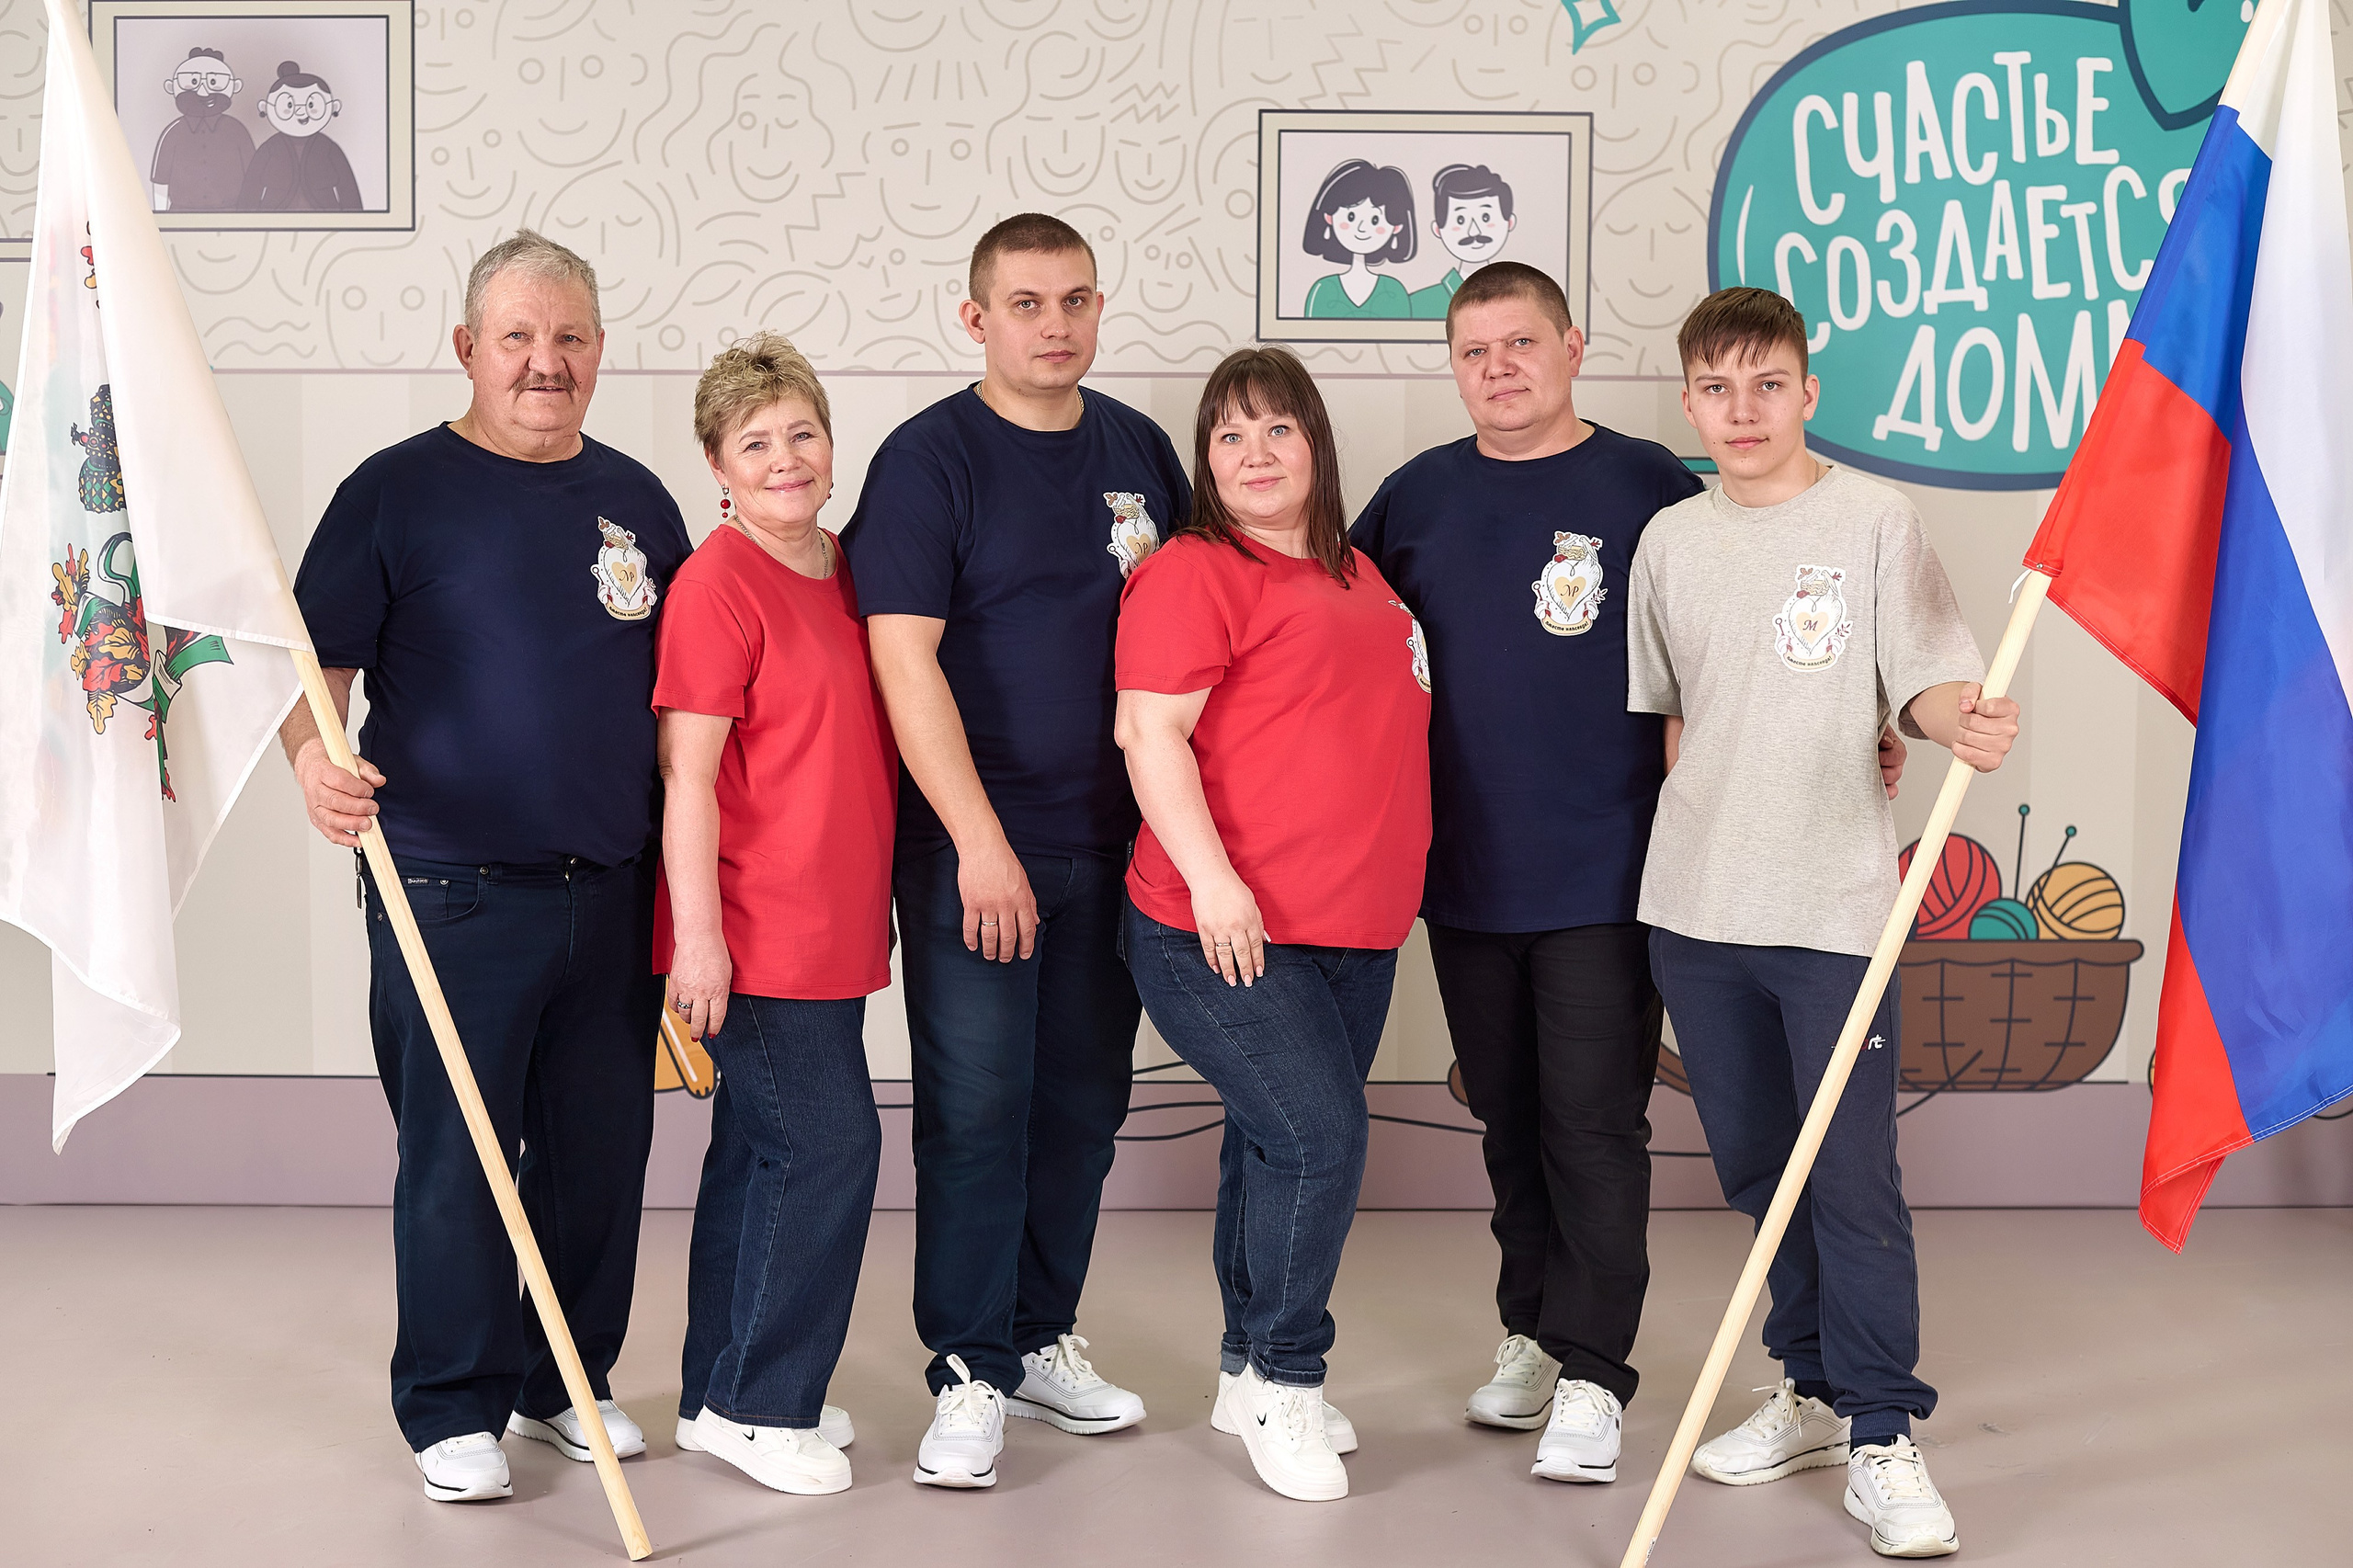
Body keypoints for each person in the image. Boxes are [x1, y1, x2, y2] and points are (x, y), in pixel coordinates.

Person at [1356, 262, 1910, 1485]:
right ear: (1455, 367)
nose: (1498, 368)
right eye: (1473, 351)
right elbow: (1333, 638)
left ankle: (1599, 1373)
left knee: (1595, 1125)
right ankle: (1534, 1329)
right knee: (1507, 1116)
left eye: (1521, 343)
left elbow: (1751, 640)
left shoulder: (1653, 489)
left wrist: (1864, 714)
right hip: (1462, 871)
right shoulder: (1415, 500)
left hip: (1617, 867)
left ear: (1573, 347)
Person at [282, 230, 688, 1504]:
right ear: (468, 348)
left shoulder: (641, 500)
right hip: (448, 888)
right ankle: (451, 1404)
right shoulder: (394, 491)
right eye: (517, 336)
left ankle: (561, 1378)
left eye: (568, 337)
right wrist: (312, 760)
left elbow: (688, 699)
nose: (544, 361)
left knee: (596, 1152)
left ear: (600, 352)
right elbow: (311, 670)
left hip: (611, 889)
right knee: (459, 1154)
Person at [1628, 286, 2018, 1559]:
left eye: (1768, 384)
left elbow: (1924, 680)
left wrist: (1953, 721)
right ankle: (1803, 1382)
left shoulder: (1873, 521)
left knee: (1848, 1175)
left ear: (1809, 391)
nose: (1743, 411)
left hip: (1835, 910)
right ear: (1691, 403)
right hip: (1694, 908)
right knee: (1759, 1167)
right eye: (1718, 389)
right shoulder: (1669, 542)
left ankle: (1884, 1429)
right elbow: (1680, 720)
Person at [841, 212, 1190, 1489]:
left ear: (1100, 309)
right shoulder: (932, 459)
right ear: (975, 316)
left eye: (1076, 301)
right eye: (1027, 303)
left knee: (1084, 1107)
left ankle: (1040, 1333)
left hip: (1121, 848)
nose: (1055, 325)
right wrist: (978, 840)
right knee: (977, 1115)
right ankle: (969, 1368)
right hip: (977, 851)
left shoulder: (1141, 451)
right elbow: (899, 653)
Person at [1116, 347, 1433, 1503]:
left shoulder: (1365, 579)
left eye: (1277, 429)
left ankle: (1247, 1367)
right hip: (1221, 925)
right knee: (1317, 1139)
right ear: (1205, 460)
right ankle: (1290, 1383)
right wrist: (1214, 883)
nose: (1254, 454)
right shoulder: (1197, 570)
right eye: (1229, 435)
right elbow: (1148, 736)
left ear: (1316, 441)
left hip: (1352, 928)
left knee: (1272, 1141)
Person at [655, 334, 893, 1496]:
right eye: (756, 442)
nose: (785, 456)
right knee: (828, 1142)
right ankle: (762, 1402)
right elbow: (688, 774)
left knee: (759, 1154)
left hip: (835, 924)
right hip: (755, 929)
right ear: (720, 466)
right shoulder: (718, 582)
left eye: (801, 431)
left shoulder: (848, 569)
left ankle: (717, 1390)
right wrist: (697, 938)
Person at [239, 60, 362, 211]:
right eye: (289, 106)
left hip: (324, 218)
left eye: (311, 105)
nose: (301, 112)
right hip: (275, 218)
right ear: (265, 108)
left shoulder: (329, 148)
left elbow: (347, 189)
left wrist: (355, 223)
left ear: (333, 107)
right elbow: (251, 188)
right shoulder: (269, 148)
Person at [1301, 158, 1415, 319]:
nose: (1362, 228)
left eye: (1375, 220)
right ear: (1329, 217)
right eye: (1351, 216)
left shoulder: (1394, 291)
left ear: (1396, 227)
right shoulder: (1323, 290)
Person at [1406, 164, 1516, 320]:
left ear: (1509, 222)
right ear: (1438, 229)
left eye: (1486, 218)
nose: (1474, 231)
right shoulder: (1418, 303)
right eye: (1460, 219)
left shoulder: (1524, 300)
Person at [150, 47, 253, 211]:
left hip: (230, 216)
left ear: (234, 86)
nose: (203, 91)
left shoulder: (238, 131)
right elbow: (160, 181)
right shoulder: (173, 133)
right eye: (193, 82)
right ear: (171, 87)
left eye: (214, 82)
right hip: (181, 218)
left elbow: (252, 179)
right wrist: (160, 222)